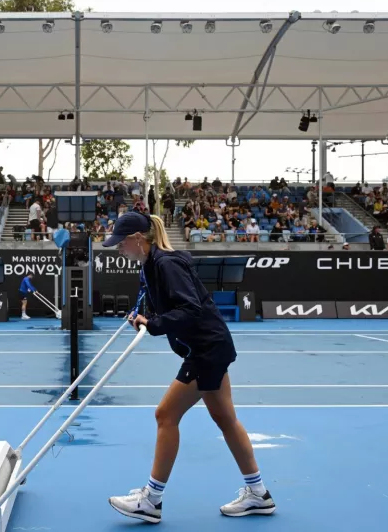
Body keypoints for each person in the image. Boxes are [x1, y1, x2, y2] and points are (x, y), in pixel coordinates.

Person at [101, 211, 275, 523]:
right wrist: (143, 315)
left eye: (120, 243)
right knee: (225, 418)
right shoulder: (153, 265)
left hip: (206, 350)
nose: (118, 249)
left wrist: (152, 324)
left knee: (165, 415)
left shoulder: (166, 264)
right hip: (211, 346)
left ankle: (151, 499)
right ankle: (259, 494)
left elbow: (190, 309)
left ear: (138, 239)